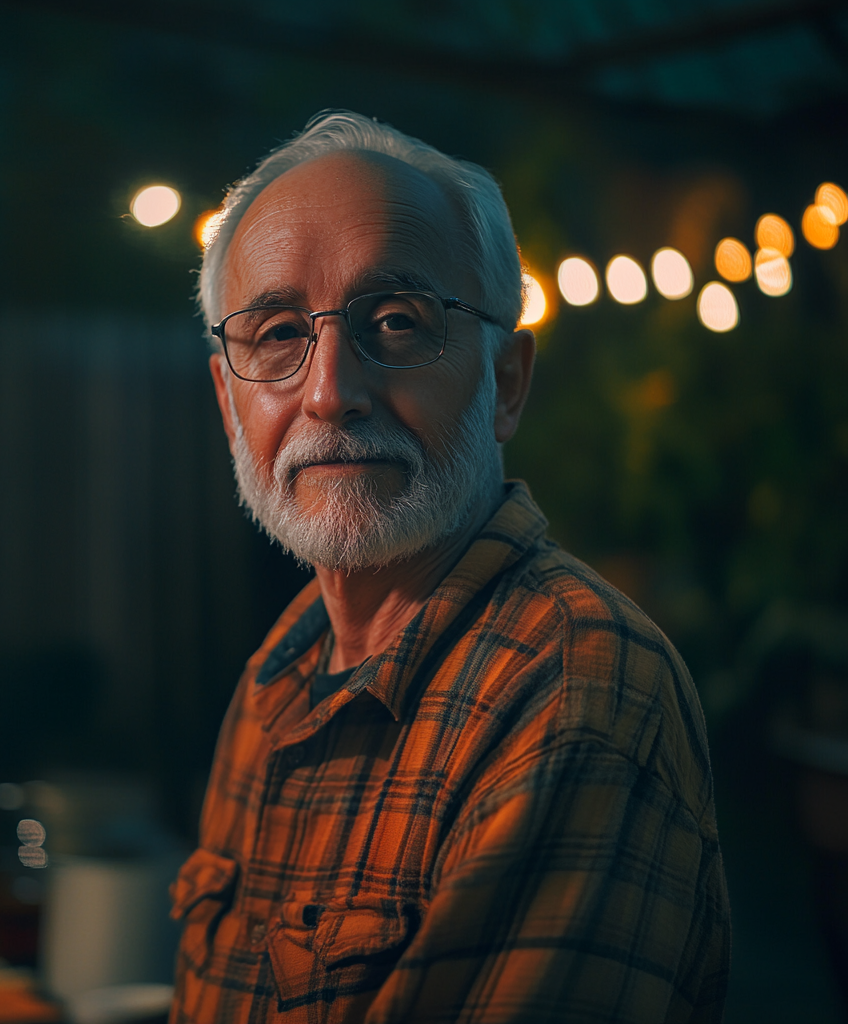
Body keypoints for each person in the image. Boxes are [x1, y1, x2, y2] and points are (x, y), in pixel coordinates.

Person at [169, 110, 730, 1023]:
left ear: (506, 380)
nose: (328, 391)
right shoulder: (276, 679)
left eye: (395, 321)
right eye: (276, 333)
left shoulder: (576, 687)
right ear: (230, 405)